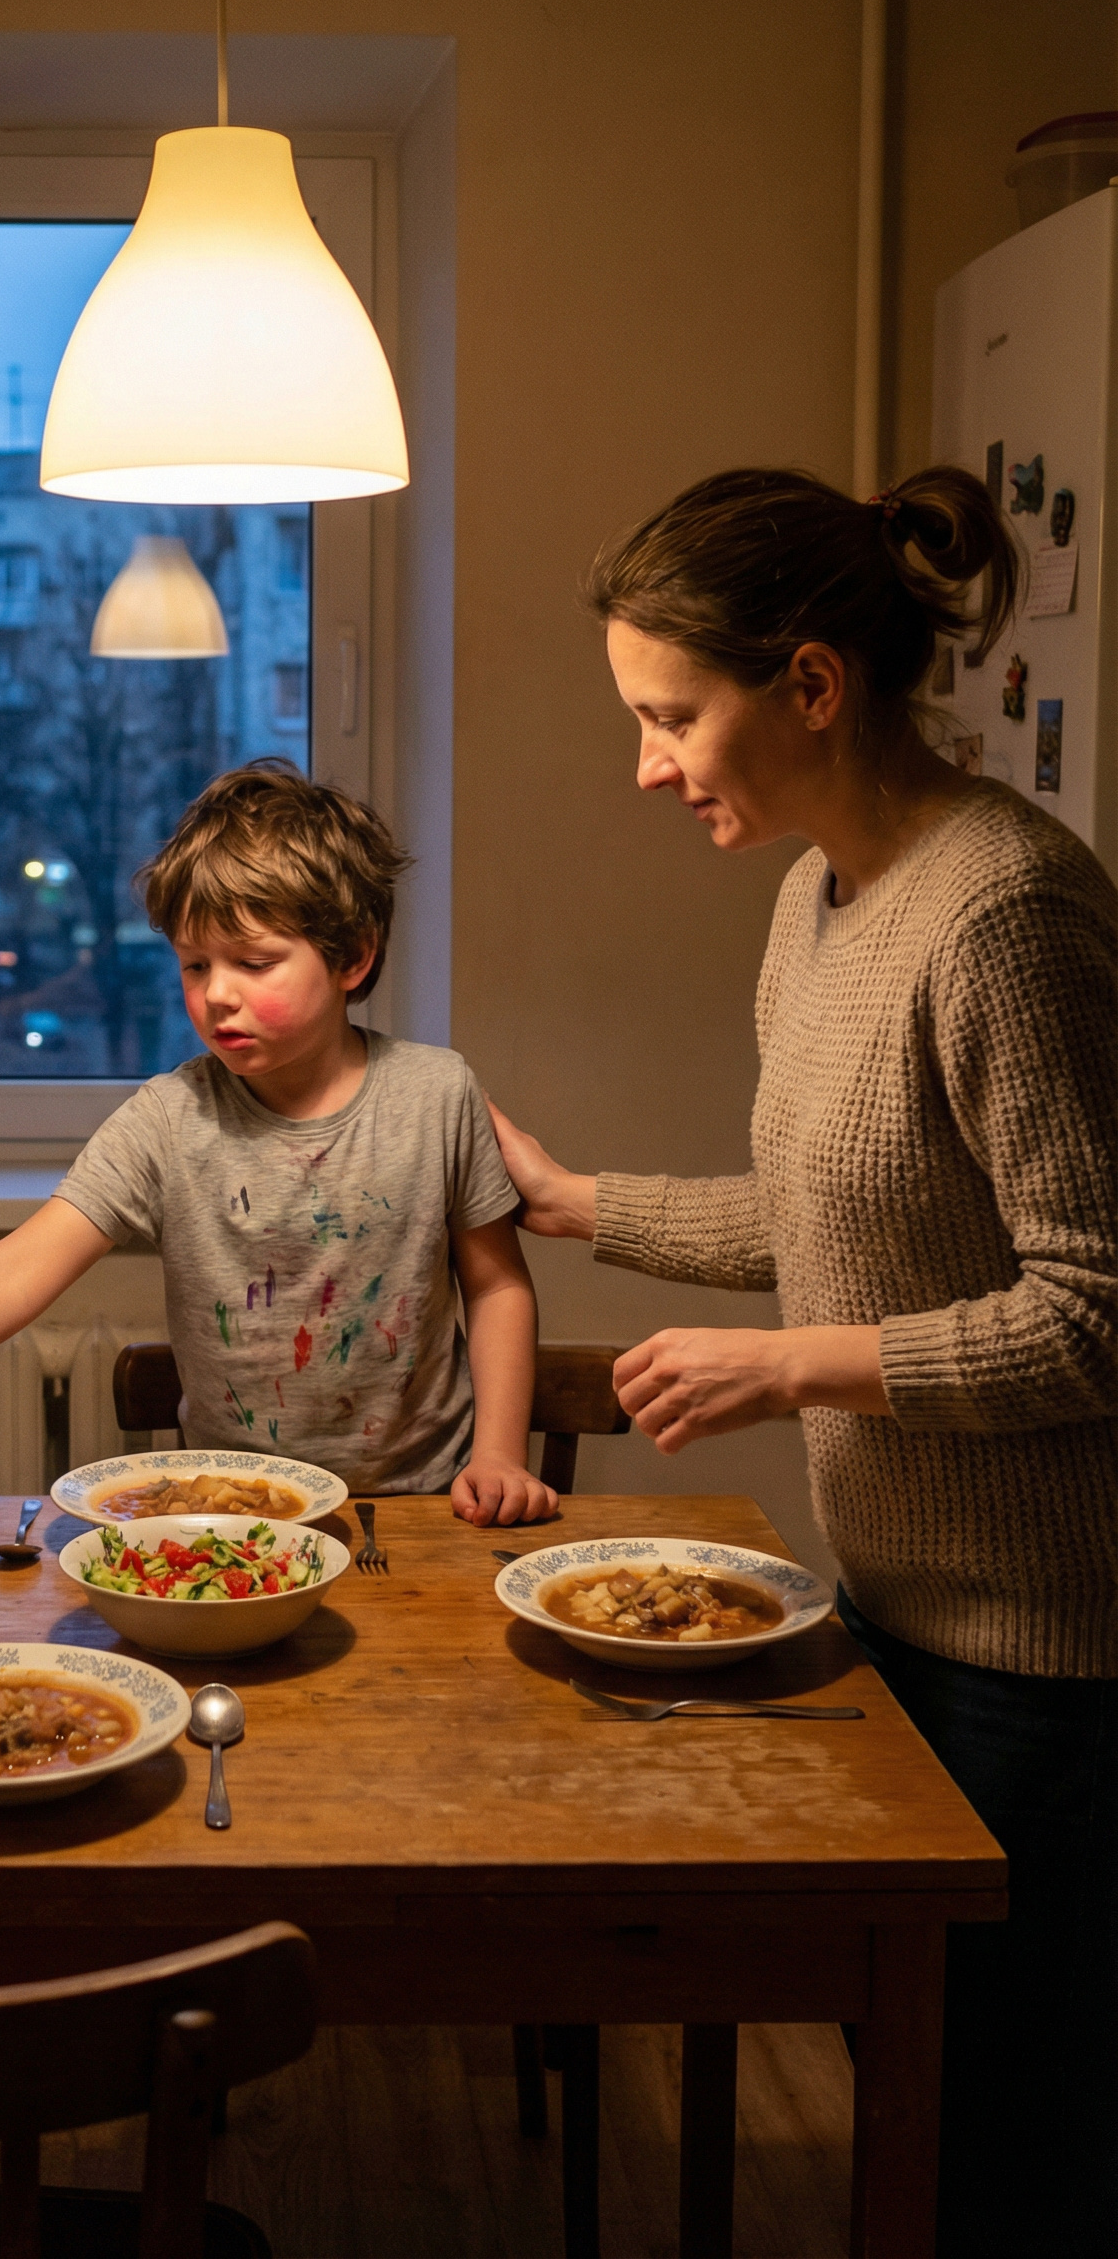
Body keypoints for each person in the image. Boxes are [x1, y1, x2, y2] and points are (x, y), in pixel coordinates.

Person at [489, 464, 1118, 2255]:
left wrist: (793, 1373)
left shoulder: (1005, 916)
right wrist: (574, 1203)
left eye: (672, 716)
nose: (648, 764)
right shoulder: (822, 901)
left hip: (1048, 1659)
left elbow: (1091, 1310)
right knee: (924, 2118)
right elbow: (836, 1209)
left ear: (814, 686)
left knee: (1016, 2145)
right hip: (896, 1604)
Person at [0, 761, 557, 1527]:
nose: (217, 995)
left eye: (254, 961)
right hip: (234, 1516)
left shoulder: (437, 1093)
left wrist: (496, 1454)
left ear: (353, 958)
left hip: (417, 1512)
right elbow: (12, 1273)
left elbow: (496, 1288)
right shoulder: (167, 1119)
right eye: (195, 965)